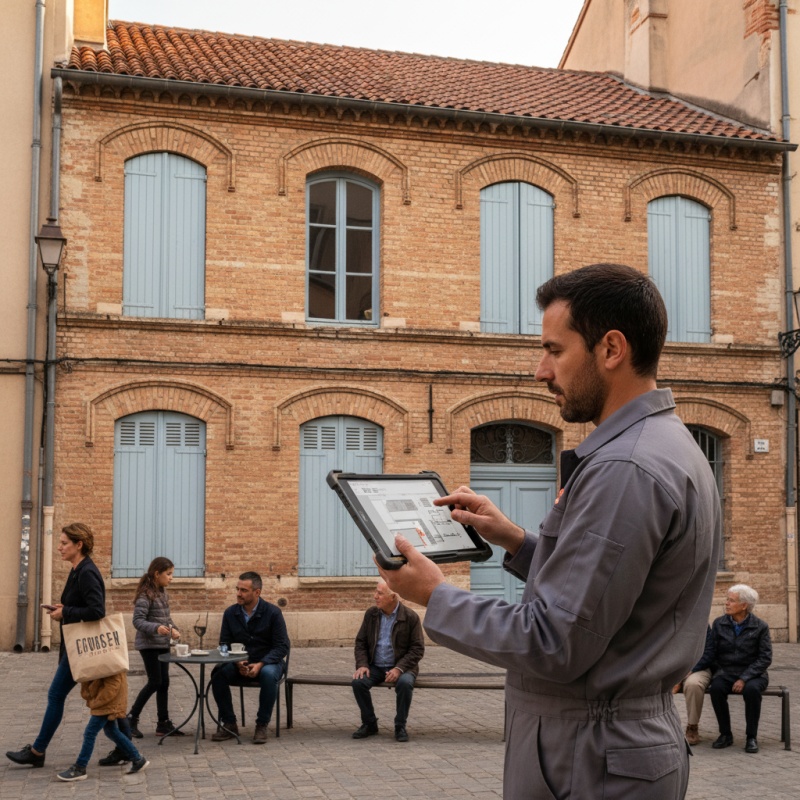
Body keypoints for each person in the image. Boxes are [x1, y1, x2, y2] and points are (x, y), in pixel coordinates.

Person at [378, 264, 721, 800]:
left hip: (590, 756)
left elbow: (555, 641)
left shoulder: (624, 467)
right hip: (607, 747)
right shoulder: (665, 445)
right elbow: (611, 593)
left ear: (611, 349)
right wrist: (515, 539)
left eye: (555, 351)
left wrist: (432, 595)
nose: (541, 371)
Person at [6, 523, 106, 770]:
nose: (59, 547)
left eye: (64, 543)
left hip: (81, 649)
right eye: (60, 542)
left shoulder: (86, 572)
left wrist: (66, 612)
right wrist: (62, 609)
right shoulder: (77, 570)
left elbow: (97, 611)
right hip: (73, 647)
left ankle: (38, 751)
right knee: (104, 700)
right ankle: (127, 749)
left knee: (56, 695)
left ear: (78, 545)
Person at [210, 571, 290, 744]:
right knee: (217, 674)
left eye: (244, 590)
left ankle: (262, 724)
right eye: (237, 589)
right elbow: (224, 644)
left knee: (269, 675)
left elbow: (282, 646)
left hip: (268, 662)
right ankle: (229, 724)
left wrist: (261, 664)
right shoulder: (230, 613)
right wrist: (237, 662)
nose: (238, 593)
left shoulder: (273, 613)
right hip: (240, 662)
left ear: (257, 592)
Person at [699, 584, 772, 754]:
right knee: (716, 688)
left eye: (731, 601)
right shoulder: (719, 623)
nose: (726, 603)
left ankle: (751, 737)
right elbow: (713, 653)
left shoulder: (760, 626)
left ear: (744, 605)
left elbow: (765, 658)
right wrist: (720, 672)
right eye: (727, 600)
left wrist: (744, 678)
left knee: (752, 691)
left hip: (754, 674)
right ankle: (725, 734)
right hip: (726, 672)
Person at [351, 581, 425, 743]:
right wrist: (362, 664)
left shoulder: (410, 617)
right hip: (375, 666)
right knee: (358, 682)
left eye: (380, 593)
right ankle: (369, 723)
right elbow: (361, 642)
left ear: (393, 597)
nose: (375, 596)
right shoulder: (371, 614)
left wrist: (399, 668)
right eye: (376, 592)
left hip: (403, 667)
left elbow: (417, 649)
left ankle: (400, 726)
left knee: (405, 684)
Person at [55, 672, 149, 781]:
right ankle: (137, 759)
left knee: (90, 732)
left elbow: (112, 685)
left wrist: (96, 703)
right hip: (107, 701)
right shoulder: (105, 661)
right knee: (111, 730)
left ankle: (80, 767)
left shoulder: (110, 662)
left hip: (107, 702)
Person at [674, 626, 713, 746]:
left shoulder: (701, 623)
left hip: (696, 668)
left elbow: (709, 652)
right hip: (671, 668)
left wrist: (687, 672)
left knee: (693, 684)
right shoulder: (665, 621)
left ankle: (692, 726)